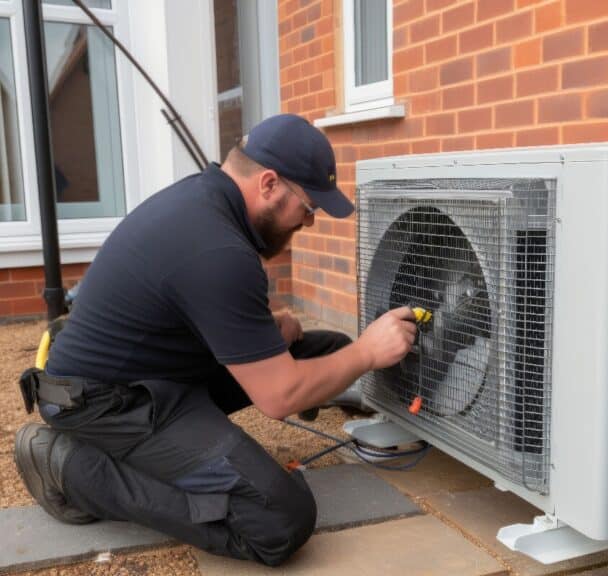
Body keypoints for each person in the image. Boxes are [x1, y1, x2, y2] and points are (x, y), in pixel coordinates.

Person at [14, 114, 416, 566]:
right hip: (103, 403)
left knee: (325, 348)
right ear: (268, 184)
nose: (309, 223)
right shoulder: (218, 250)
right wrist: (367, 352)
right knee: (278, 520)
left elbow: (194, 297)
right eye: (308, 208)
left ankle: (383, 404)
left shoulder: (206, 204)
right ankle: (70, 467)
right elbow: (279, 397)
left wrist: (268, 330)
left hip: (149, 370)